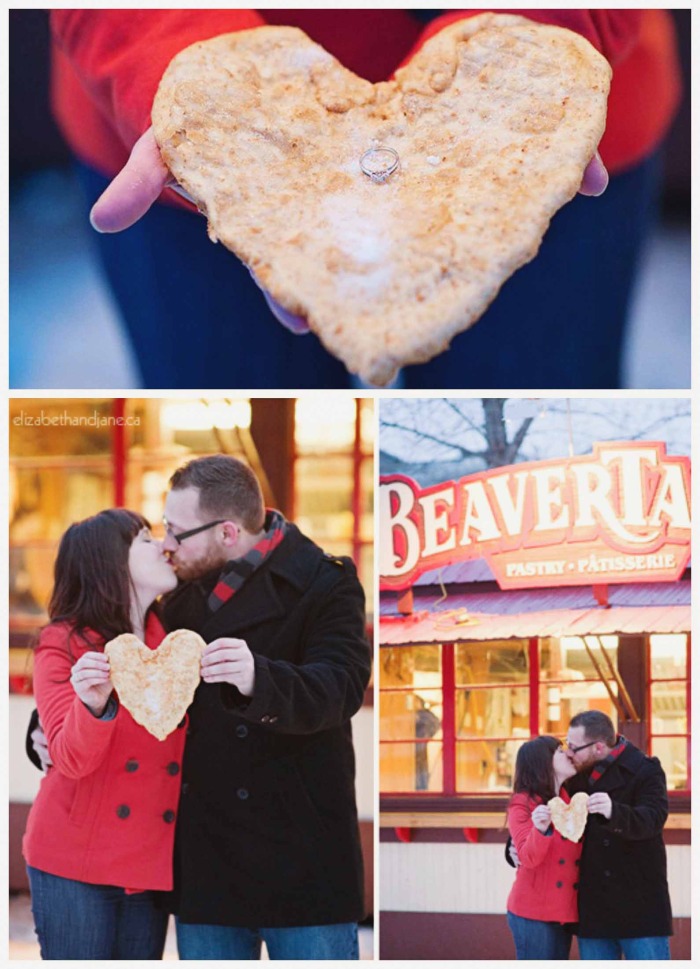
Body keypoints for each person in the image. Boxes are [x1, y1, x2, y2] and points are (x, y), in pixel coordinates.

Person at [44, 10, 681, 388]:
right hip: (207, 156)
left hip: (531, 138)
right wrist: (198, 84)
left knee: (536, 411)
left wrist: (526, 56)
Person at [28, 454, 370, 960]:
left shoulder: (326, 583)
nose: (167, 544)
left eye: (176, 531)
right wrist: (47, 722)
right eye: (160, 531)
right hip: (211, 868)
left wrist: (258, 678)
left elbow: (341, 687)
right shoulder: (178, 599)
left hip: (302, 860)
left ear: (228, 533)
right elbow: (121, 667)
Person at [22, 509, 181, 960]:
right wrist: (92, 703)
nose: (163, 545)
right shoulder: (64, 644)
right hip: (73, 861)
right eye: (145, 540)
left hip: (149, 861)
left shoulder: (173, 644)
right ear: (109, 562)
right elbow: (69, 757)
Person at [564, 711, 673, 960]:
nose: (569, 752)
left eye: (574, 747)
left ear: (599, 747)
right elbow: (549, 811)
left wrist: (614, 811)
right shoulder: (574, 774)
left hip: (640, 903)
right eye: (566, 745)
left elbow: (654, 819)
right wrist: (515, 844)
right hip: (593, 906)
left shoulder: (647, 770)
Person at [506, 736, 580, 959]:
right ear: (543, 762)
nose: (568, 753)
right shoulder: (522, 805)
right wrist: (540, 829)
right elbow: (527, 857)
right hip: (533, 911)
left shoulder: (571, 802)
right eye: (559, 751)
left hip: (563, 911)